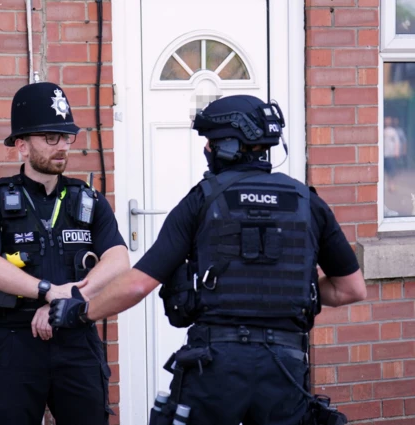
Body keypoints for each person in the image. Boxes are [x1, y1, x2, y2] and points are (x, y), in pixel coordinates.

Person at [49, 95, 367, 425]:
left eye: (211, 143)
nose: (207, 150)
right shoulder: (308, 203)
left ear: (229, 146)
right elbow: (351, 289)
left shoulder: (203, 199)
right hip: (285, 369)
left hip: (215, 366)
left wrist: (83, 311)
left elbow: (140, 282)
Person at [0, 81, 129, 425]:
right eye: (50, 138)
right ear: (22, 147)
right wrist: (47, 292)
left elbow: (118, 261)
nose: (62, 147)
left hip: (77, 338)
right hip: (16, 342)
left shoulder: (88, 200)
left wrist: (69, 297)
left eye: (66, 136)